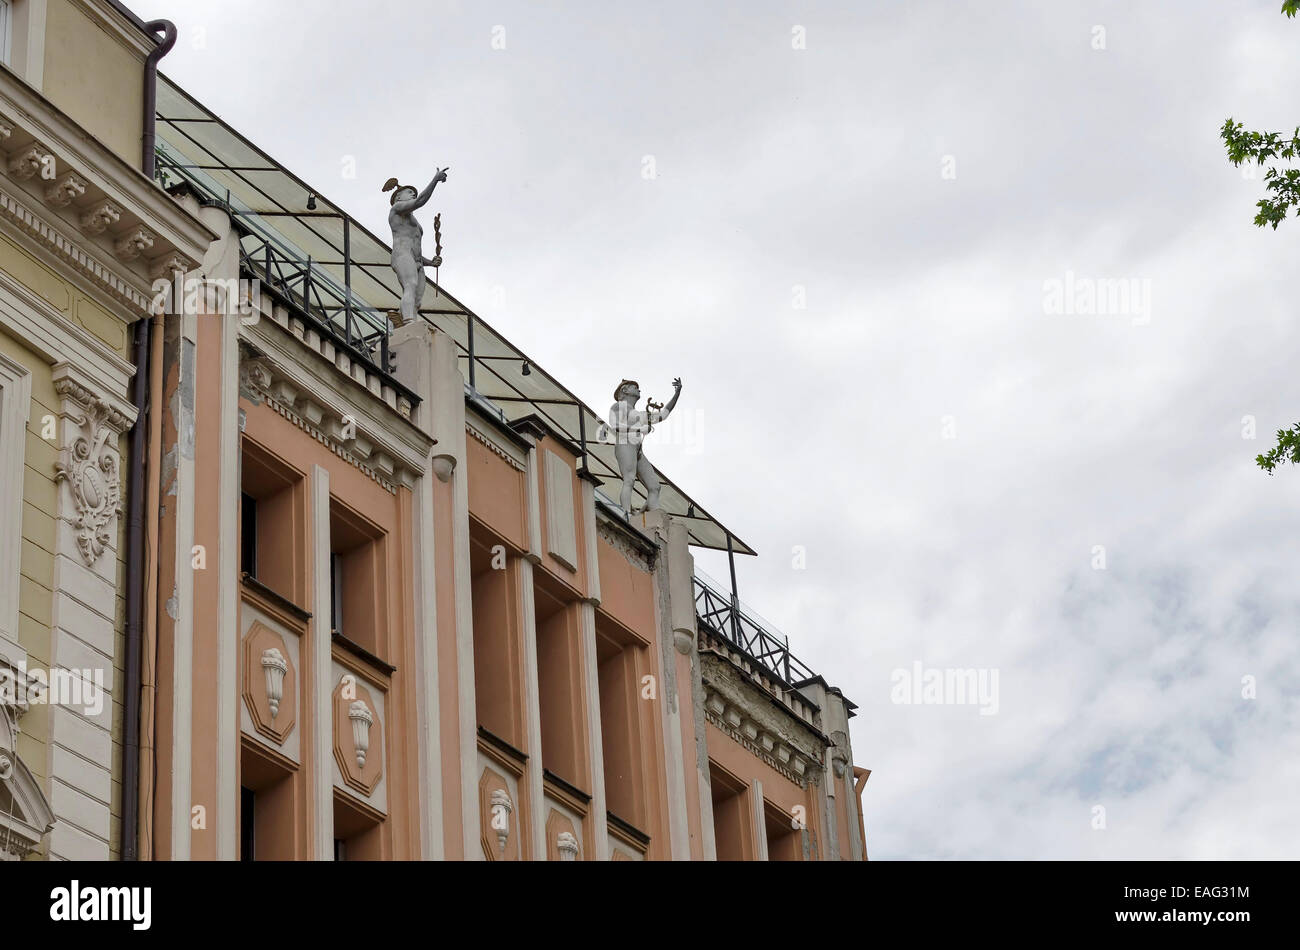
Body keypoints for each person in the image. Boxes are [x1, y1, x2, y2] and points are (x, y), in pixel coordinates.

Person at [600, 377, 682, 515]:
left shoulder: (639, 414)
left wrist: (677, 393)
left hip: (637, 450)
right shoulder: (618, 407)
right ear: (624, 390)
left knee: (655, 486)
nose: (639, 389)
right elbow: (615, 426)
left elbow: (663, 415)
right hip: (625, 444)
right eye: (634, 387)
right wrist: (639, 430)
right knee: (629, 479)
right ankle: (626, 514)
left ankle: (648, 515)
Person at [383, 168, 448, 325]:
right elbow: (420, 201)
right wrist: (435, 180)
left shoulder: (413, 220)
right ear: (398, 196)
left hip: (416, 260)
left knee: (417, 300)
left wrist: (430, 263)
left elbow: (416, 250)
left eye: (414, 191)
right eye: (409, 191)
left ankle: (400, 319)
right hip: (402, 255)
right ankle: (408, 321)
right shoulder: (397, 209)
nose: (413, 193)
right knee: (410, 285)